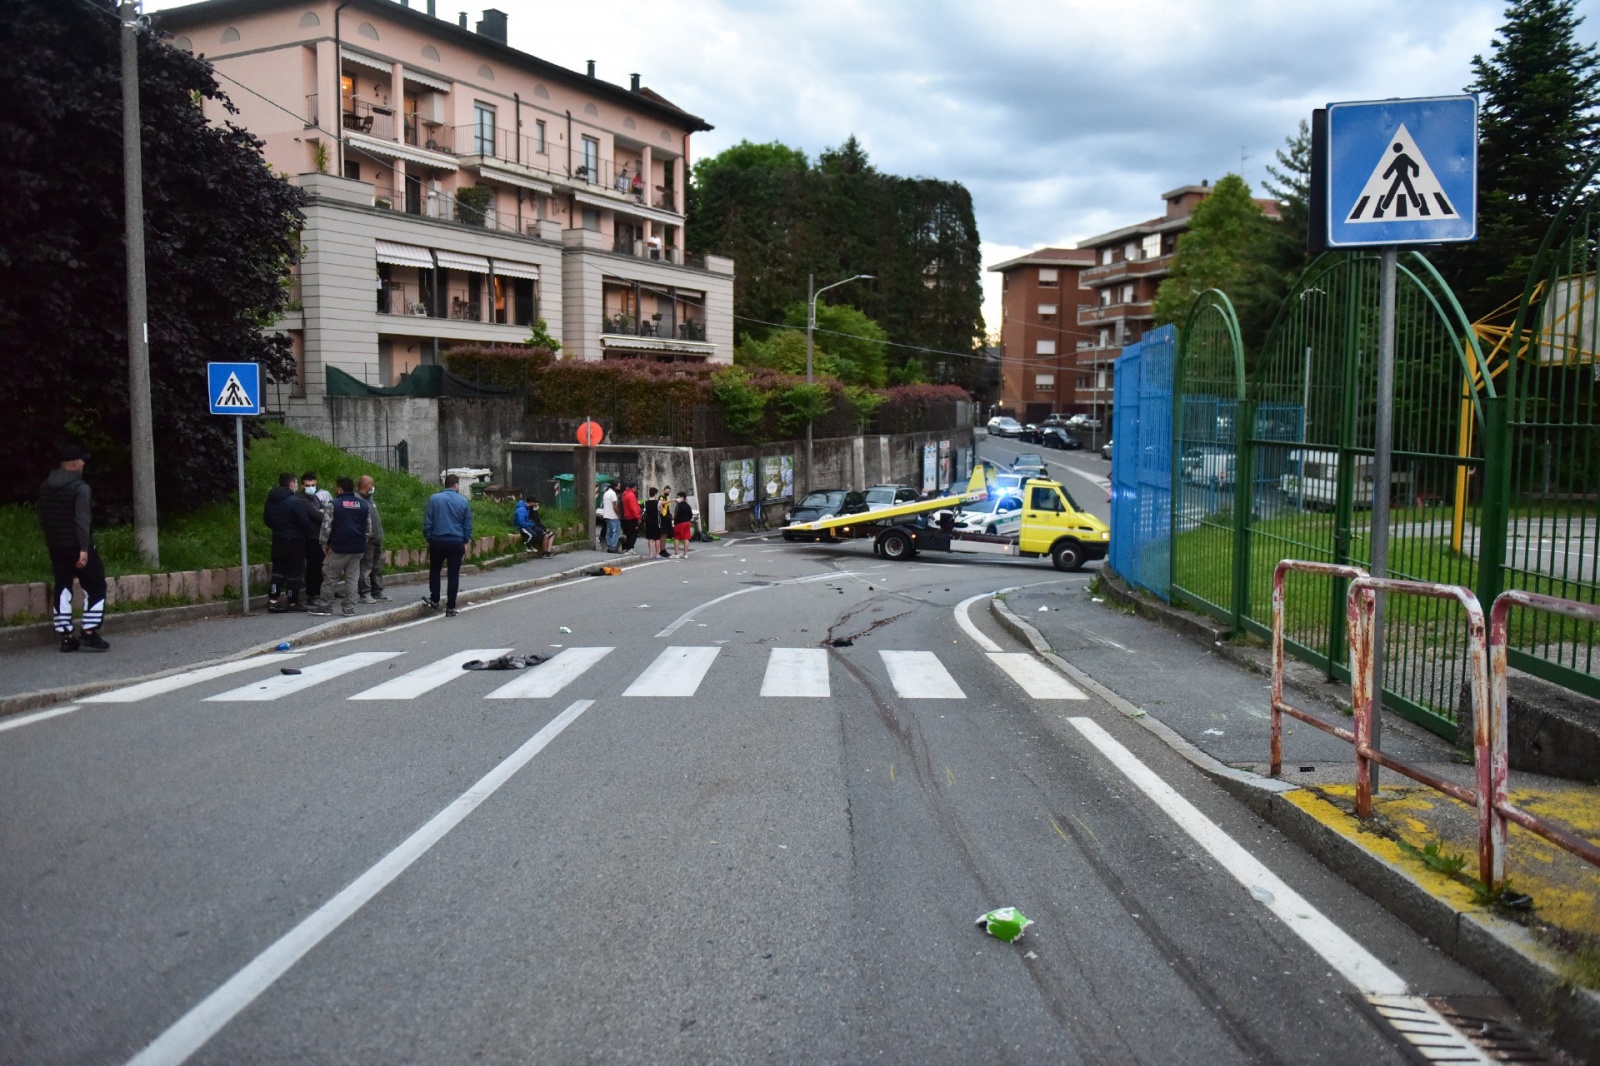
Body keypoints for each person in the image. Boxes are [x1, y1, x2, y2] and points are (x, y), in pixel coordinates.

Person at [37, 443, 109, 652]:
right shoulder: (81, 488)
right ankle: (89, 631)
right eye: (82, 460)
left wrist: (53, 540)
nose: (84, 463)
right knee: (95, 584)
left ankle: (66, 636)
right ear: (76, 463)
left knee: (63, 587)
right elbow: (82, 521)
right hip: (78, 546)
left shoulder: (45, 486)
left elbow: (44, 518)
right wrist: (84, 549)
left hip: (56, 545)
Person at [315, 476, 372, 618]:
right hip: (357, 548)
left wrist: (324, 543)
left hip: (339, 547)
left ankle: (325, 606)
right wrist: (362, 541)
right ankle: (349, 609)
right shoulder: (363, 504)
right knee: (352, 578)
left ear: (340, 488)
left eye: (336, 487)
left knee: (330, 576)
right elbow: (368, 528)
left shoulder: (334, 504)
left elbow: (326, 526)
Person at [423, 473, 473, 616]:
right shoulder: (463, 501)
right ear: (456, 485)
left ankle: (434, 599)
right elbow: (467, 524)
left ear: (445, 485)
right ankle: (450, 607)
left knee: (435, 570)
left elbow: (428, 521)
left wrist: (428, 537)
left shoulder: (434, 499)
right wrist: (465, 540)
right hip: (456, 542)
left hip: (437, 541)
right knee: (453, 574)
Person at [264, 472, 314, 612]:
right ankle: (292, 601)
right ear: (292, 484)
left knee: (278, 570)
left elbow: (267, 519)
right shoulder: (295, 501)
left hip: (278, 539)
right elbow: (304, 522)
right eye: (296, 483)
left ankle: (273, 599)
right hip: (295, 541)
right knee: (294, 571)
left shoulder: (271, 500)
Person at [356, 475, 390, 604]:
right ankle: (364, 593)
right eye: (372, 485)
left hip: (377, 539)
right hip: (367, 540)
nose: (373, 487)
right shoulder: (358, 500)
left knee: (377, 567)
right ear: (367, 486)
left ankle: (377, 591)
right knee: (366, 567)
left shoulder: (370, 499)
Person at [299, 471, 330, 608]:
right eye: (307, 485)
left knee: (320, 566)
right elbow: (319, 516)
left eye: (312, 484)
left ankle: (319, 592)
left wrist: (321, 512)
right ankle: (312, 594)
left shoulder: (315, 498)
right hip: (310, 537)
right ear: (302, 485)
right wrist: (321, 512)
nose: (310, 487)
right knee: (313, 566)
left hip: (319, 536)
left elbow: (327, 511)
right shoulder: (301, 499)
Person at [642, 486, 664, 559]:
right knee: (657, 538)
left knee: (650, 538)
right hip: (656, 522)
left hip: (648, 522)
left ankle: (650, 554)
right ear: (655, 494)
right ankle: (657, 554)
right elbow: (661, 512)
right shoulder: (658, 502)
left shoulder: (646, 502)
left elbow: (645, 511)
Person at [620, 481, 641, 554]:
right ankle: (630, 548)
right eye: (636, 488)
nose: (637, 490)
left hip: (626, 516)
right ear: (634, 487)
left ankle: (625, 547)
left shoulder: (625, 494)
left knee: (627, 533)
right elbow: (633, 508)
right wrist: (638, 517)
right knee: (633, 533)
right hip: (632, 517)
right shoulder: (631, 495)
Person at [600, 480, 621, 553]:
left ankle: (609, 546)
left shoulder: (606, 493)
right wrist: (618, 513)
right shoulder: (613, 494)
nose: (619, 487)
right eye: (618, 485)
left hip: (606, 515)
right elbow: (614, 506)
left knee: (609, 532)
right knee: (616, 532)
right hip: (613, 515)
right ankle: (613, 547)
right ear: (615, 486)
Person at [672, 491, 693, 559]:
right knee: (686, 538)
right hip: (687, 523)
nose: (677, 498)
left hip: (679, 523)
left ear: (682, 497)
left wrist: (674, 522)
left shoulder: (679, 506)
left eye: (678, 497)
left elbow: (676, 515)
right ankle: (685, 554)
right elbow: (691, 515)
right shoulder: (688, 506)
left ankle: (676, 553)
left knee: (676, 538)